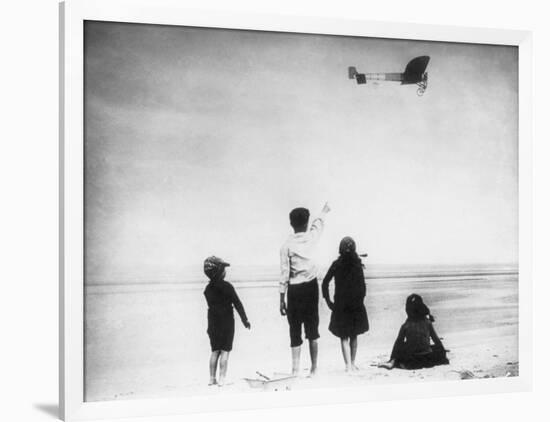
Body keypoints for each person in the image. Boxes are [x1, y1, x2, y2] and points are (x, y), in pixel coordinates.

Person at [279, 202, 331, 376]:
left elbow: (284, 274)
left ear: (291, 223)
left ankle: (295, 370)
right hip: (310, 288)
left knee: (294, 330)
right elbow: (319, 224)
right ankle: (314, 368)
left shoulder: (285, 246)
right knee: (312, 329)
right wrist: (323, 211)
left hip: (294, 290)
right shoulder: (311, 237)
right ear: (306, 222)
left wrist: (281, 299)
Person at [322, 237, 369, 372]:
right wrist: (361, 300)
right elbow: (363, 286)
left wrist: (328, 301)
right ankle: (352, 364)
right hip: (356, 304)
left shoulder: (336, 264)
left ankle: (348, 366)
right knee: (354, 335)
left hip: (341, 305)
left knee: (344, 336)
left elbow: (325, 283)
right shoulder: (358, 264)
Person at [203, 256, 251, 386]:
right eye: (223, 269)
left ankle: (212, 379)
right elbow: (238, 304)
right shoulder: (227, 287)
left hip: (212, 322)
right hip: (227, 323)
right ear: (219, 271)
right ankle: (222, 379)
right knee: (225, 351)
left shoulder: (207, 290)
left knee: (214, 351)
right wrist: (245, 320)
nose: (225, 271)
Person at [379, 293, 449, 370]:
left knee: (401, 344)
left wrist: (393, 357)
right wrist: (443, 353)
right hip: (427, 358)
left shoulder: (406, 325)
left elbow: (398, 344)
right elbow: (436, 340)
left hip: (412, 359)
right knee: (435, 348)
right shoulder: (427, 322)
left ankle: (392, 361)